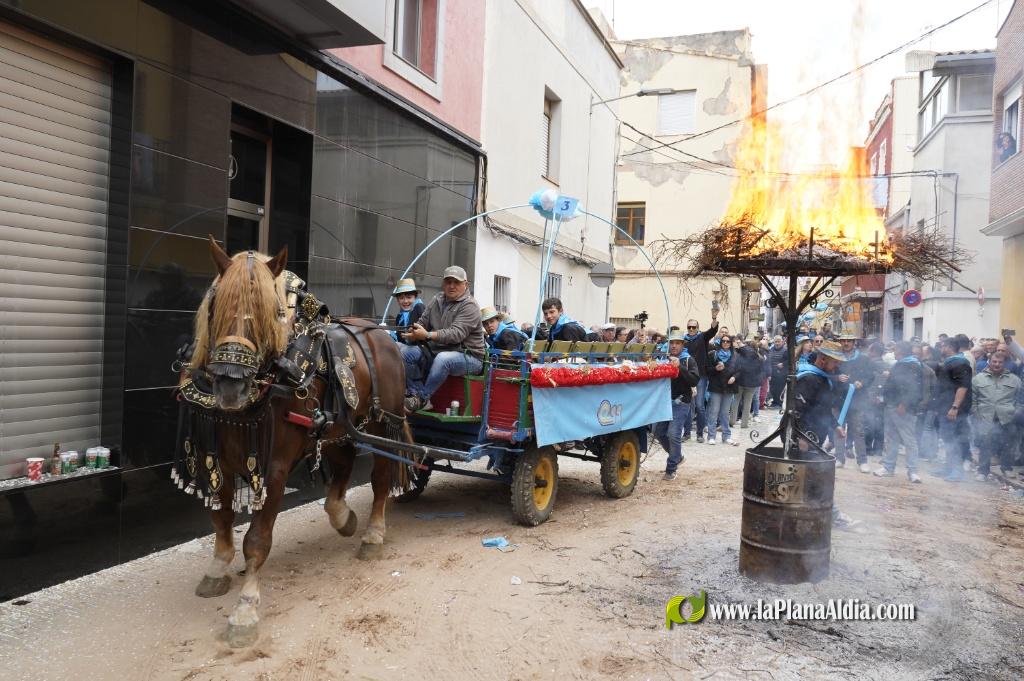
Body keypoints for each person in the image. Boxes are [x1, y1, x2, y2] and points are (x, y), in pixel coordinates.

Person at [792, 340, 859, 529]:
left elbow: (822, 409)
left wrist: (835, 425)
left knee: (807, 477)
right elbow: (797, 409)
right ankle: (833, 515)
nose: (837, 366)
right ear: (822, 360)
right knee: (815, 476)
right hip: (803, 436)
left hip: (813, 435)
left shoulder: (823, 379)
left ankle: (809, 513)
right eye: (834, 362)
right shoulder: (809, 379)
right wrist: (802, 436)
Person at [400, 265, 485, 413]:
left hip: (470, 357)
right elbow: (422, 322)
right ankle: (416, 394)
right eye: (448, 282)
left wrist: (426, 335)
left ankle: (422, 398)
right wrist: (413, 331)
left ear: (466, 284)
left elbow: (455, 334)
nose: (451, 286)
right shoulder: (437, 299)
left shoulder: (470, 305)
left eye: (456, 282)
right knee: (402, 352)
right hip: (438, 352)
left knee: (443, 359)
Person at [653, 333, 700, 480]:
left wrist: (680, 367)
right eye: (671, 343)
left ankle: (671, 468)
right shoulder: (662, 359)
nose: (673, 345)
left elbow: (694, 380)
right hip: (665, 403)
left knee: (673, 434)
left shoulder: (688, 360)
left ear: (682, 345)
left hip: (681, 402)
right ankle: (677, 456)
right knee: (658, 433)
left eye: (677, 343)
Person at [874, 342, 923, 482]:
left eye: (895, 349)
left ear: (901, 351)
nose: (893, 352)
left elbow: (912, 387)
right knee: (891, 438)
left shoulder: (911, 365)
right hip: (891, 405)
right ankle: (888, 467)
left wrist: (904, 404)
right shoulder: (901, 363)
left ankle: (913, 471)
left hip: (902, 408)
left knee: (909, 440)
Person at [971, 351, 1021, 481]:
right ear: (990, 361)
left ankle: (1007, 469)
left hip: (1008, 417)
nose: (997, 364)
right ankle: (983, 471)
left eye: (1000, 362)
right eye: (994, 361)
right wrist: (977, 413)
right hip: (985, 417)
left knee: (1008, 445)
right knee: (985, 445)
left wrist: (1016, 412)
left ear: (1004, 363)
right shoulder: (978, 379)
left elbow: (1020, 399)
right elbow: (973, 399)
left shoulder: (1015, 380)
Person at [931, 337, 973, 482]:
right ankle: (948, 468)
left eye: (942, 346)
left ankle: (957, 471)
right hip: (944, 407)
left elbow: (963, 386)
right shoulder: (949, 363)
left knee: (954, 439)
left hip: (954, 410)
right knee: (948, 438)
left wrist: (955, 407)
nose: (940, 349)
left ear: (948, 347)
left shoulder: (960, 363)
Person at [836, 333, 876, 473]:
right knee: (839, 430)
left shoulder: (864, 358)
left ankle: (862, 461)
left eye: (849, 340)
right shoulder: (835, 357)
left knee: (858, 430)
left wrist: (862, 383)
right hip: (839, 399)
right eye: (843, 340)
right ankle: (839, 458)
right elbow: (827, 373)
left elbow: (871, 375)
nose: (846, 343)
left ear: (854, 343)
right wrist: (837, 377)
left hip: (857, 400)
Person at [681, 309, 720, 442]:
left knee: (699, 405)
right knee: (687, 404)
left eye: (694, 327)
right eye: (689, 327)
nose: (691, 329)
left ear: (698, 328)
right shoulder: (683, 340)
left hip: (700, 376)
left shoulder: (702, 337)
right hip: (685, 376)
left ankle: (699, 434)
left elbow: (712, 331)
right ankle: (686, 433)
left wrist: (714, 318)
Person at [705, 334, 738, 446]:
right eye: (723, 341)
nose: (725, 343)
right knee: (713, 412)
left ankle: (726, 436)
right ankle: (711, 436)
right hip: (716, 387)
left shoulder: (735, 355)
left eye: (728, 341)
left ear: (731, 343)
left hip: (728, 387)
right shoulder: (713, 354)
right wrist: (715, 368)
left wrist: (734, 377)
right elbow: (707, 370)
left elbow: (740, 370)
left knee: (725, 413)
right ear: (720, 342)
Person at [734, 336, 763, 429]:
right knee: (747, 404)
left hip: (742, 381)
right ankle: (744, 424)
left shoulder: (746, 353)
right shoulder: (759, 356)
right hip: (752, 383)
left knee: (736, 401)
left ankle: (732, 421)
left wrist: (740, 345)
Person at [390, 278, 425, 345]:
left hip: (421, 349)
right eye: (401, 298)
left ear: (415, 297)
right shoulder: (399, 317)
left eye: (409, 297)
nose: (405, 301)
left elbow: (426, 333)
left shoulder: (419, 307)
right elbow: (400, 339)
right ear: (397, 300)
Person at [767, 335, 789, 408]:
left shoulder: (786, 350)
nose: (777, 343)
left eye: (778, 341)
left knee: (780, 388)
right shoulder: (771, 350)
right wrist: (769, 373)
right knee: (773, 388)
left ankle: (779, 403)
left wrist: (783, 364)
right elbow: (769, 361)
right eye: (775, 342)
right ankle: (775, 401)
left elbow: (789, 360)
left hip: (782, 373)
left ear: (782, 342)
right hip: (772, 372)